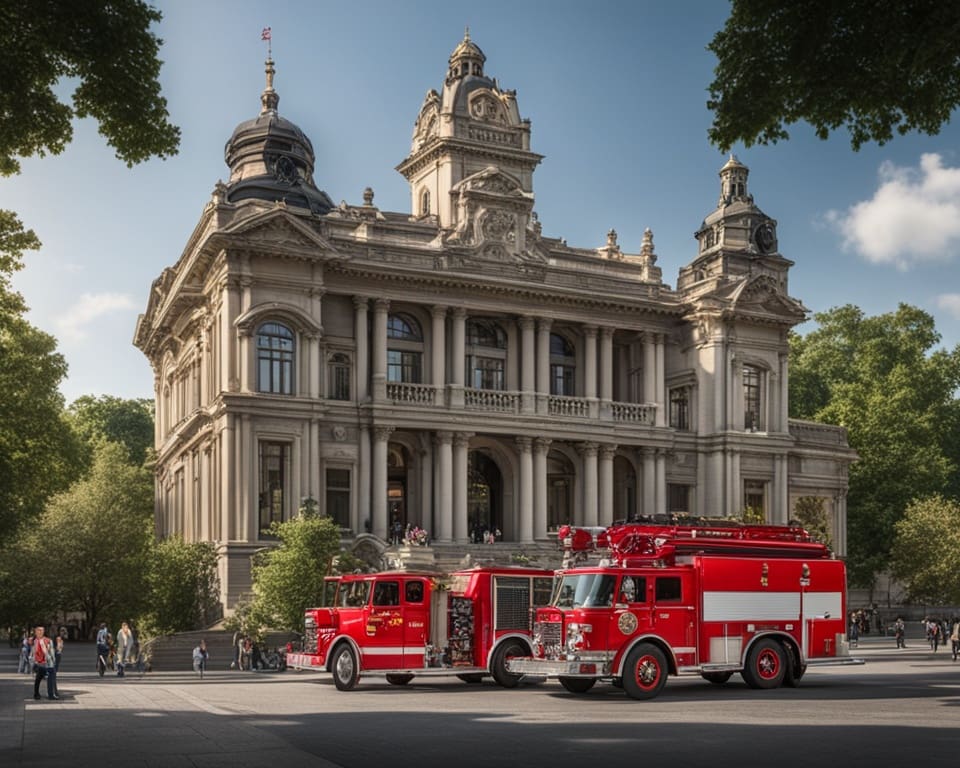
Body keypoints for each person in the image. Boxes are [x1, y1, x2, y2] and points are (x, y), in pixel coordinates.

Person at [30, 625, 58, 700]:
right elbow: (33, 652)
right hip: (39, 663)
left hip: (47, 663)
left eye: (42, 630)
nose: (40, 632)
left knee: (48, 678)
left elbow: (52, 652)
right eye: (39, 630)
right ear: (35, 631)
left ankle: (50, 694)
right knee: (39, 679)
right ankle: (39, 694)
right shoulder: (34, 641)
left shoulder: (47, 640)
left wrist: (53, 660)